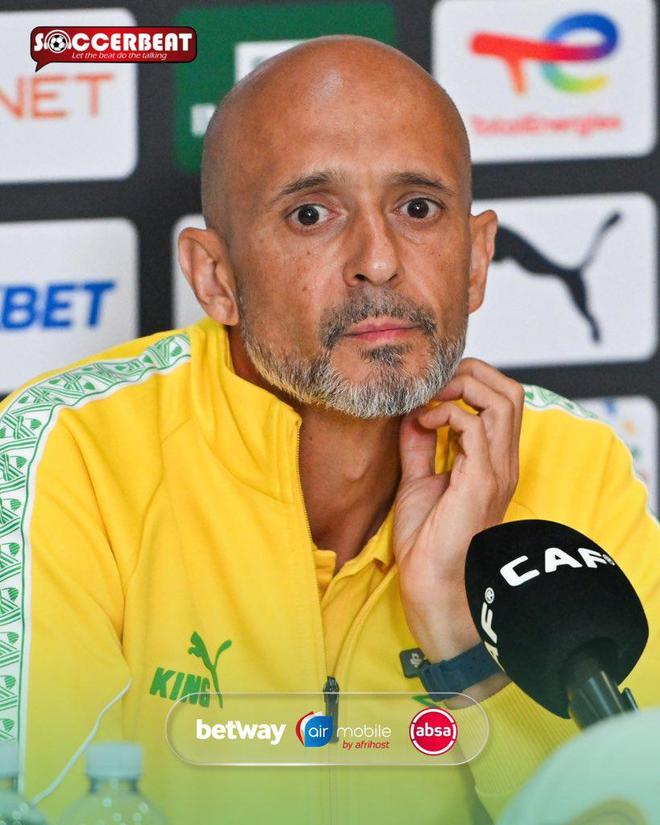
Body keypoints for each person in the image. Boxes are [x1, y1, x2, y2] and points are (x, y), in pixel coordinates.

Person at [0, 35, 657, 825]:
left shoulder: (573, 464)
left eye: (418, 208)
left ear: (477, 259)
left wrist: (462, 644)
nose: (378, 260)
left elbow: (627, 809)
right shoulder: (65, 452)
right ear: (216, 276)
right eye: (311, 214)